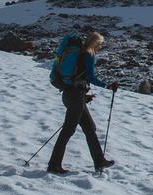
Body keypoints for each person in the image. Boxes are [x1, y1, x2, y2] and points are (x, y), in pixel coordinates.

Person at [47, 31, 119, 174]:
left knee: (90, 127)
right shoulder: (88, 54)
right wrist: (108, 86)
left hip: (70, 94)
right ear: (95, 43)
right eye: (100, 44)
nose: (100, 47)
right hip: (75, 96)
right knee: (68, 130)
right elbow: (91, 77)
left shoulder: (79, 53)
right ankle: (54, 165)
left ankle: (99, 161)